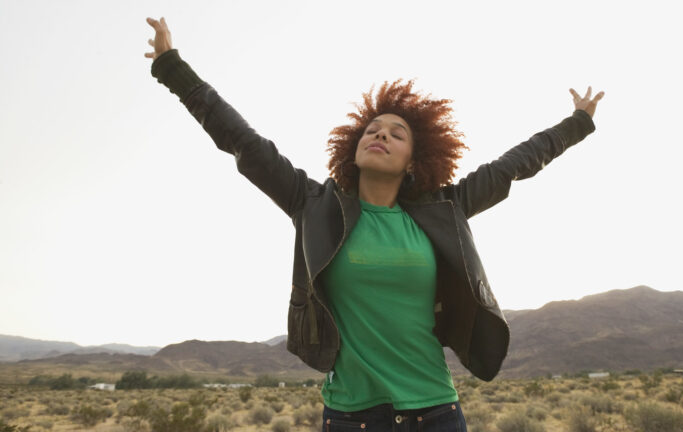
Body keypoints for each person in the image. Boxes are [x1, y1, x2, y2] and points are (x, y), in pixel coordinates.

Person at [145, 16, 604, 432]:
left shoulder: (444, 207)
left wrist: (577, 123)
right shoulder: (313, 203)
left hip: (436, 412)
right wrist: (172, 67)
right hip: (351, 417)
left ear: (414, 161)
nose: (380, 133)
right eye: (372, 129)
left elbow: (513, 165)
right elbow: (242, 140)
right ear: (354, 146)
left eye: (396, 132)